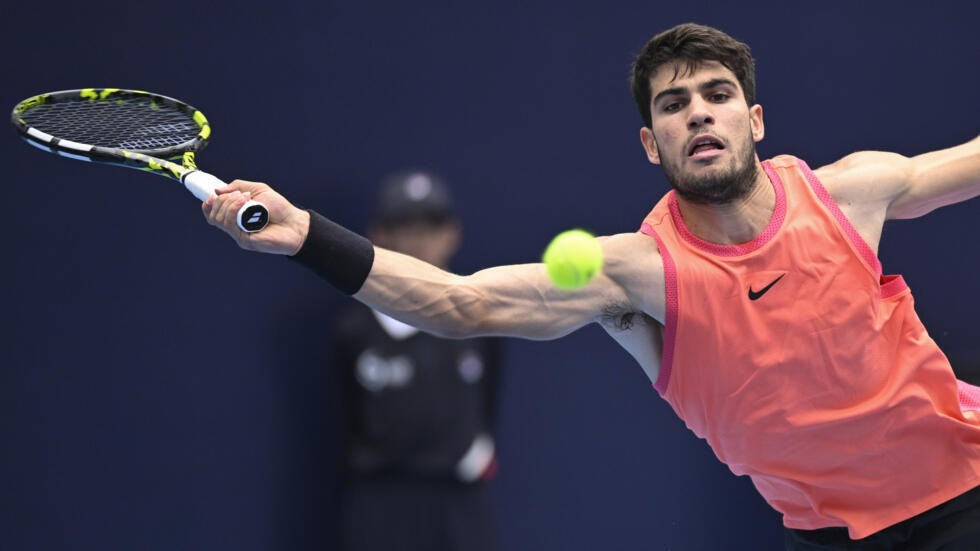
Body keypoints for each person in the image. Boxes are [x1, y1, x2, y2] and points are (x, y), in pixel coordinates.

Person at [202, 23, 980, 550]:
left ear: (756, 118)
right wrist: (306, 234)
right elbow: (460, 302)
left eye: (717, 95)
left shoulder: (850, 192)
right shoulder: (634, 271)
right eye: (673, 106)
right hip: (828, 535)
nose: (699, 114)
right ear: (652, 142)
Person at [330, 170, 501, 551]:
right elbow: (342, 417)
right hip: (379, 504)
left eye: (431, 226)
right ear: (381, 234)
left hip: (458, 504)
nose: (420, 241)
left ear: (453, 233)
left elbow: (489, 401)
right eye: (407, 227)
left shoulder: (479, 323)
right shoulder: (353, 331)